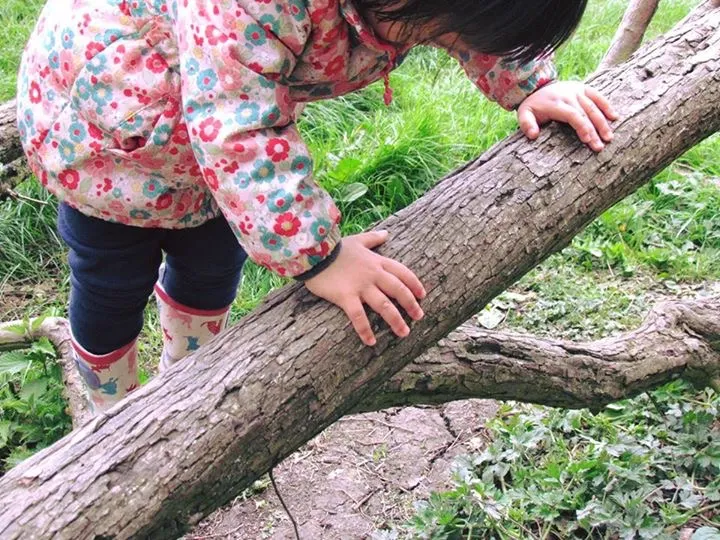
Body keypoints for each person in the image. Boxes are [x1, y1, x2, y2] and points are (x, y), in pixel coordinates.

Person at [16, 0, 616, 412]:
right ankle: (110, 412)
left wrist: (532, 84)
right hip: (106, 138)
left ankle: (183, 379)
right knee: (110, 284)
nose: (448, 41)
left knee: (209, 270)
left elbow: (476, 22)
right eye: (439, 28)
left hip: (215, 153)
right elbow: (236, 130)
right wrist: (320, 258)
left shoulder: (423, 7)